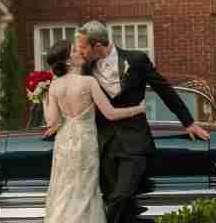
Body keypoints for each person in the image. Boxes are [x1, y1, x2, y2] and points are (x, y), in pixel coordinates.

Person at [75, 20, 210, 223]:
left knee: (121, 196)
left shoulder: (136, 60)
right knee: (115, 201)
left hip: (134, 142)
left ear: (97, 46)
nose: (80, 51)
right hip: (103, 145)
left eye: (83, 47)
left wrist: (188, 122)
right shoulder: (86, 69)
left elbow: (164, 90)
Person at [42, 40, 146, 223]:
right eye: (74, 50)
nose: (79, 52)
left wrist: (44, 100)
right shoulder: (88, 82)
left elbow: (53, 122)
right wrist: (138, 109)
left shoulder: (55, 86)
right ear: (67, 61)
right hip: (85, 141)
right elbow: (110, 114)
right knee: (86, 190)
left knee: (64, 189)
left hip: (64, 142)